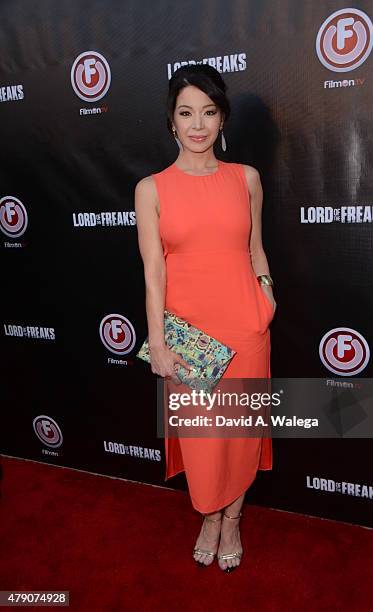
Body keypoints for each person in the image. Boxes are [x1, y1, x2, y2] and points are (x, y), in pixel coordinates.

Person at [134, 64, 277, 573]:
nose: (198, 124)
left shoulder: (246, 179)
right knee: (202, 437)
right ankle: (209, 515)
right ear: (171, 121)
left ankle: (231, 519)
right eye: (186, 112)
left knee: (241, 435)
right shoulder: (151, 189)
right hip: (190, 337)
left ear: (222, 119)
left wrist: (267, 294)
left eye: (209, 112)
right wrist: (157, 339)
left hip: (246, 326)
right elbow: (154, 272)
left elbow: (256, 248)